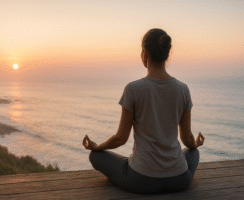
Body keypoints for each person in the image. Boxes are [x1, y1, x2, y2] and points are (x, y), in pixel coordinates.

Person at [82, 28, 205, 194]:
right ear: (167, 53)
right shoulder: (183, 89)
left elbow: (120, 138)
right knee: (193, 152)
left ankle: (134, 164)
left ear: (145, 53)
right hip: (179, 179)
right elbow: (187, 139)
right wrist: (196, 143)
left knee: (95, 156)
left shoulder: (133, 89)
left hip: (141, 181)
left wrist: (97, 147)